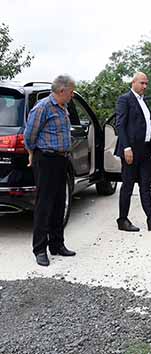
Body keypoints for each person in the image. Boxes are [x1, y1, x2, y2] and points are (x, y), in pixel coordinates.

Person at [24, 74, 77, 266]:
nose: (72, 95)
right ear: (62, 91)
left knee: (58, 204)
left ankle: (57, 244)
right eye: (71, 92)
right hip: (46, 159)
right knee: (44, 205)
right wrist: (32, 152)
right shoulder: (42, 107)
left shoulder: (63, 107)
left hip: (62, 160)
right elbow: (29, 135)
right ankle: (40, 249)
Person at [115, 72, 151, 232]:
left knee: (146, 186)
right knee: (127, 186)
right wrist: (126, 148)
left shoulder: (143, 102)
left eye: (146, 83)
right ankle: (122, 220)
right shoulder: (124, 100)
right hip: (131, 151)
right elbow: (120, 125)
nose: (145, 86)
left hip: (145, 150)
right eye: (142, 83)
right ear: (133, 82)